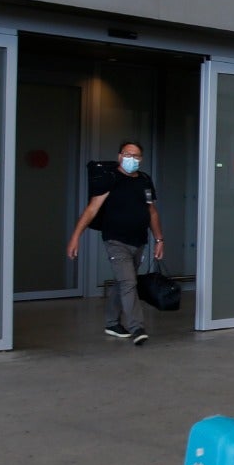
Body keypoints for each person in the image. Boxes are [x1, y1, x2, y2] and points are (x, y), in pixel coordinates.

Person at [66, 140, 164, 346]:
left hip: (139, 241)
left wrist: (159, 239)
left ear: (141, 159)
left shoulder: (145, 180)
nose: (132, 159)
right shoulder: (110, 179)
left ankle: (112, 323)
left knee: (123, 282)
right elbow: (92, 209)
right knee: (129, 283)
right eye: (128, 154)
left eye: (136, 156)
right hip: (115, 240)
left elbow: (152, 212)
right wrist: (76, 236)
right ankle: (137, 327)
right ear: (120, 156)